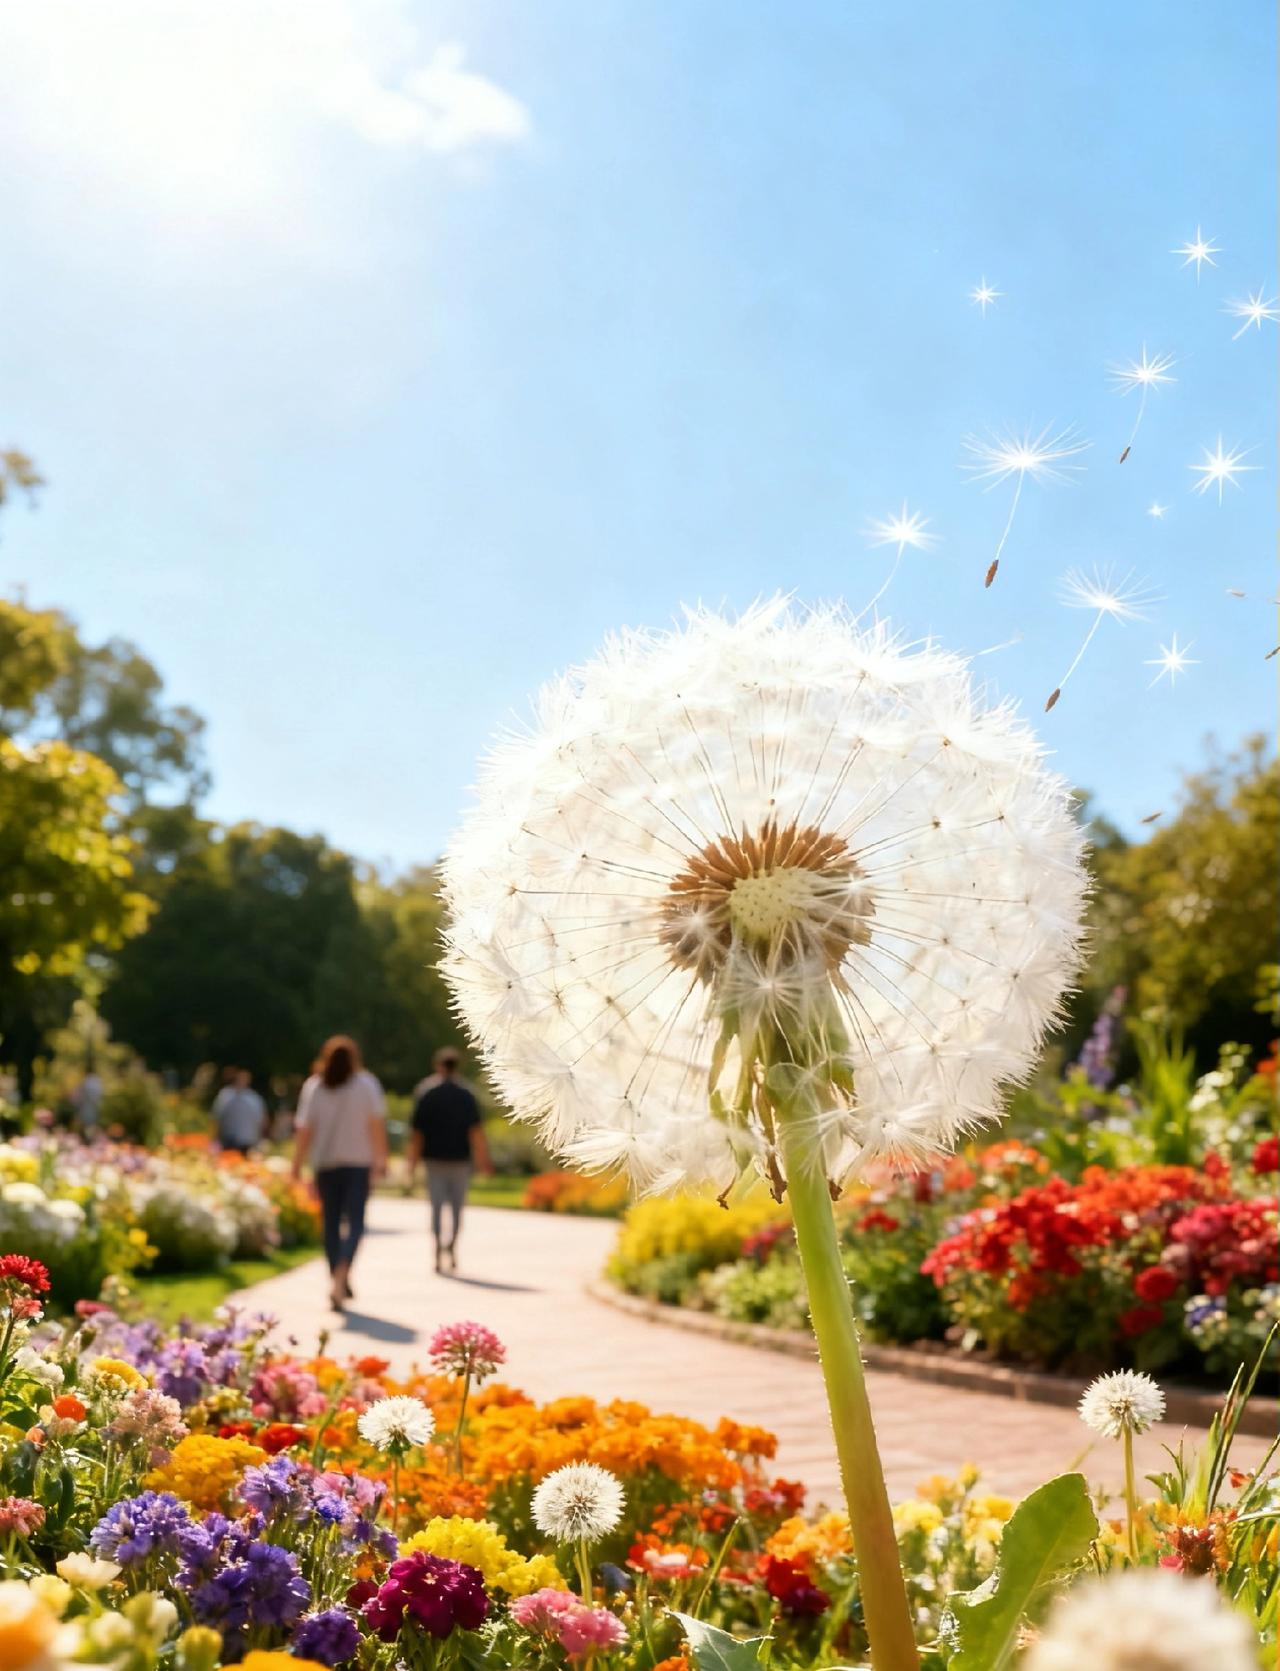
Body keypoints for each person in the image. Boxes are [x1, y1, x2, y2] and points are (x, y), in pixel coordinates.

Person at [292, 1036, 387, 1310]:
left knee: (330, 1224)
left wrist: (296, 1164)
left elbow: (305, 1130)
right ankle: (342, 1273)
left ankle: (336, 1275)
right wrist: (381, 1159)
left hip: (326, 1164)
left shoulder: (315, 1086)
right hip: (358, 1164)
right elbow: (376, 1125)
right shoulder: (366, 1084)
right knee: (356, 1223)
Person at [408, 1047, 491, 1273]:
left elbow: (417, 1134)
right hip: (460, 1161)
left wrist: (411, 1164)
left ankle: (437, 1248)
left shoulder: (427, 1093)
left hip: (433, 1160)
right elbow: (475, 1132)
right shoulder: (466, 1095)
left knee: (436, 1208)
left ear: (438, 1066)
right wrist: (484, 1160)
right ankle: (451, 1245)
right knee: (456, 1209)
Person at [212, 1067, 267, 1155]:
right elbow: (217, 1117)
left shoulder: (253, 1098)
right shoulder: (225, 1095)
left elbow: (261, 1119)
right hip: (227, 1138)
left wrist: (260, 1139)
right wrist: (215, 1137)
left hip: (247, 1140)